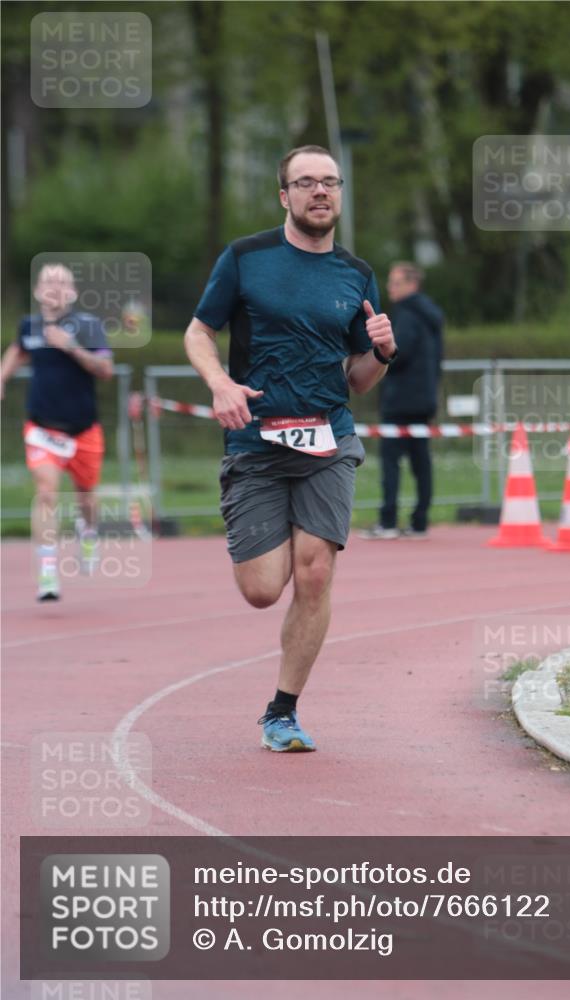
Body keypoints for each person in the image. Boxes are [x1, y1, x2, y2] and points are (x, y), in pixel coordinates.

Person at [184, 144, 397, 752]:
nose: (320, 192)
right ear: (285, 196)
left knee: (316, 571)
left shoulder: (356, 275)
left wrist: (380, 351)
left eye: (330, 182)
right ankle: (281, 702)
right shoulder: (247, 259)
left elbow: (358, 379)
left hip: (328, 438)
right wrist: (220, 382)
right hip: (256, 440)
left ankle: (283, 711)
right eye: (306, 183)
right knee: (260, 590)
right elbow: (199, 331)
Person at [0, 263, 113, 599]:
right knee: (47, 492)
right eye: (47, 282)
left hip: (83, 429)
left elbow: (105, 369)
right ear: (37, 291)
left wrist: (71, 346)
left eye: (61, 283)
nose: (54, 288)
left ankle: (88, 532)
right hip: (43, 426)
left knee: (86, 497)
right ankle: (48, 571)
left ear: (72, 292)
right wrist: (3, 376)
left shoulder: (89, 326)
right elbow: (17, 351)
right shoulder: (29, 326)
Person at [361, 262, 443, 539]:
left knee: (390, 461)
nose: (390, 288)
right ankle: (420, 521)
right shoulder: (431, 316)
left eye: (395, 283)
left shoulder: (407, 314)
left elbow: (396, 353)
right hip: (424, 399)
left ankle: (388, 521)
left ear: (412, 285)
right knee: (421, 461)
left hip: (401, 401)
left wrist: (378, 359)